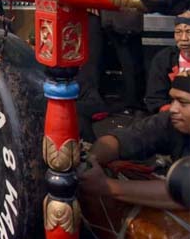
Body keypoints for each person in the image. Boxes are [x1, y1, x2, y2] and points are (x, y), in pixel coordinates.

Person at [79, 72, 190, 210]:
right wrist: (90, 162)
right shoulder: (169, 121)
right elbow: (123, 139)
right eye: (172, 100)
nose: (173, 108)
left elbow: (182, 192)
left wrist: (107, 186)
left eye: (183, 103)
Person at [144, 10, 190, 113]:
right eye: (178, 32)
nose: (183, 38)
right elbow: (155, 99)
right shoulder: (164, 59)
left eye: (188, 32)